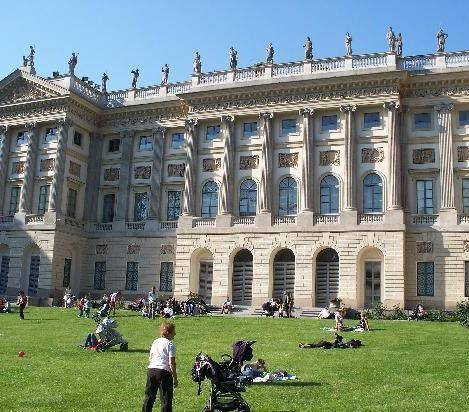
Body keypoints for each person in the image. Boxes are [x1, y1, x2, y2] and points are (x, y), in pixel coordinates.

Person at [142, 322, 178, 412]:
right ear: (169, 333)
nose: (175, 334)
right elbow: (172, 363)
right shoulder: (170, 344)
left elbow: (150, 357)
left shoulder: (155, 342)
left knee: (149, 396)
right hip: (164, 372)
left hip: (151, 370)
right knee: (166, 399)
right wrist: (175, 378)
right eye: (174, 332)